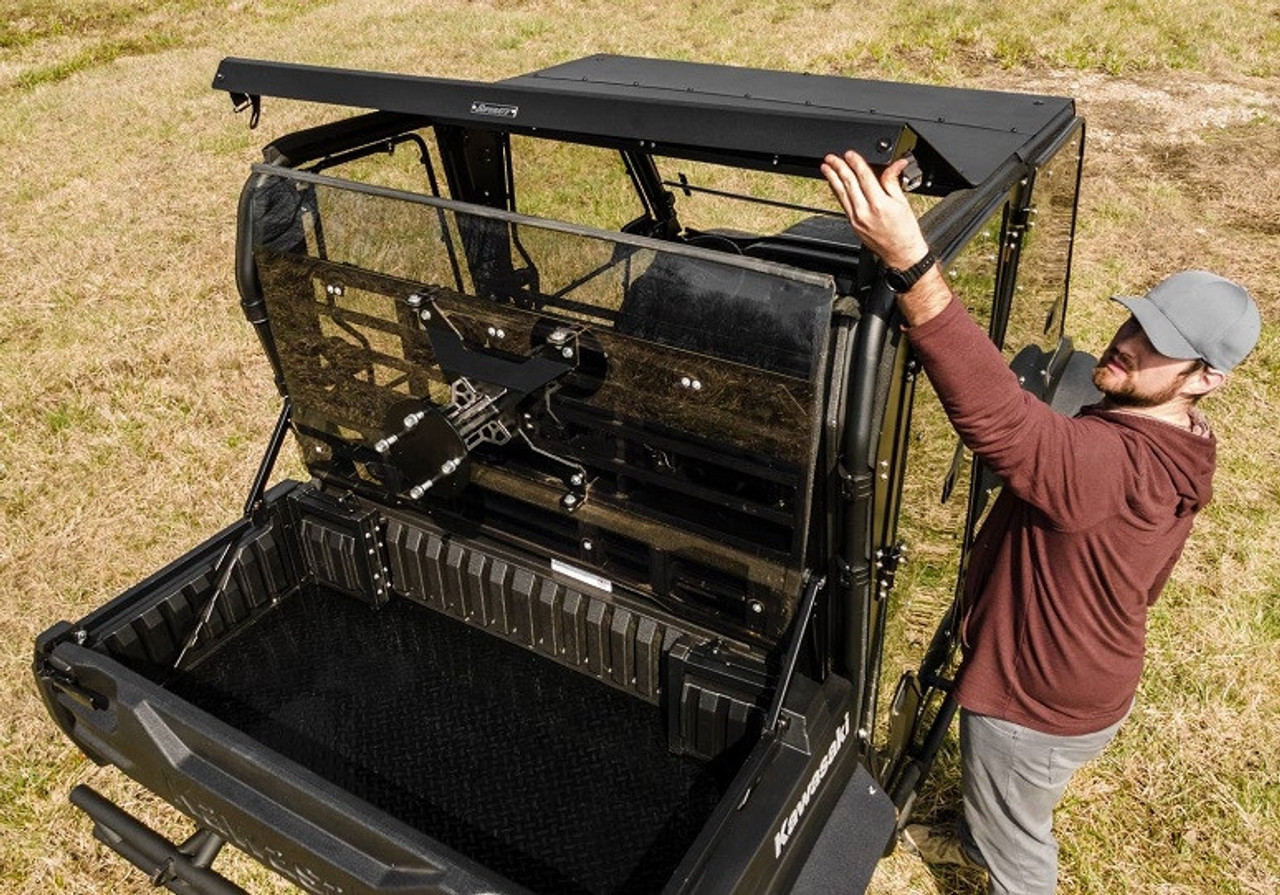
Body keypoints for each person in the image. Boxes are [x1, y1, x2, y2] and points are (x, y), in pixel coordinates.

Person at [820, 150, 1261, 894]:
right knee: (1018, 802)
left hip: (1033, 707)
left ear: (1205, 379)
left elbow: (1003, 422)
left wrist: (910, 263)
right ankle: (985, 820)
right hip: (1088, 688)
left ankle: (994, 849)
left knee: (1018, 848)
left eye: (1159, 346)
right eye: (1136, 320)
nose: (1125, 341)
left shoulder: (1112, 465)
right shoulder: (1186, 440)